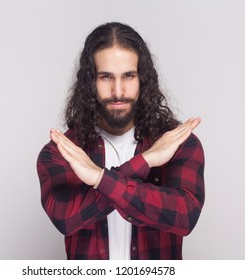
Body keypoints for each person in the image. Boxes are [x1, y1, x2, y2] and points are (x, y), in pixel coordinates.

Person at [36, 22, 205, 260]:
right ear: (90, 83)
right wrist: (145, 161)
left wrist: (98, 178)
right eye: (106, 77)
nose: (118, 91)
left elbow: (184, 216)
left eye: (128, 76)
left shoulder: (176, 143)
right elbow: (66, 218)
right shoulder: (63, 151)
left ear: (142, 80)